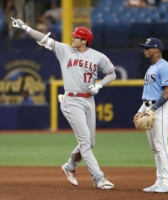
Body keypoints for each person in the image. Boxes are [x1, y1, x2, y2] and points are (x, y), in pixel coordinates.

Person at [11, 17, 116, 189]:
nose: (72, 38)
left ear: (84, 41)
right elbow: (43, 38)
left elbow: (112, 74)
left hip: (89, 100)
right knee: (84, 141)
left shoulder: (98, 56)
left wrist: (99, 85)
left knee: (90, 143)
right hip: (72, 100)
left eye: (76, 37)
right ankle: (99, 179)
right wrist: (26, 28)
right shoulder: (64, 50)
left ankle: (69, 167)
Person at [133, 38, 168, 193]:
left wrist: (154, 108)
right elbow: (149, 95)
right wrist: (140, 110)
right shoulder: (151, 68)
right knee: (154, 148)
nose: (144, 49)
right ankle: (160, 181)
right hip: (150, 107)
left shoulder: (164, 67)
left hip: (161, 109)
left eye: (147, 47)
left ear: (156, 49)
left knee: (161, 145)